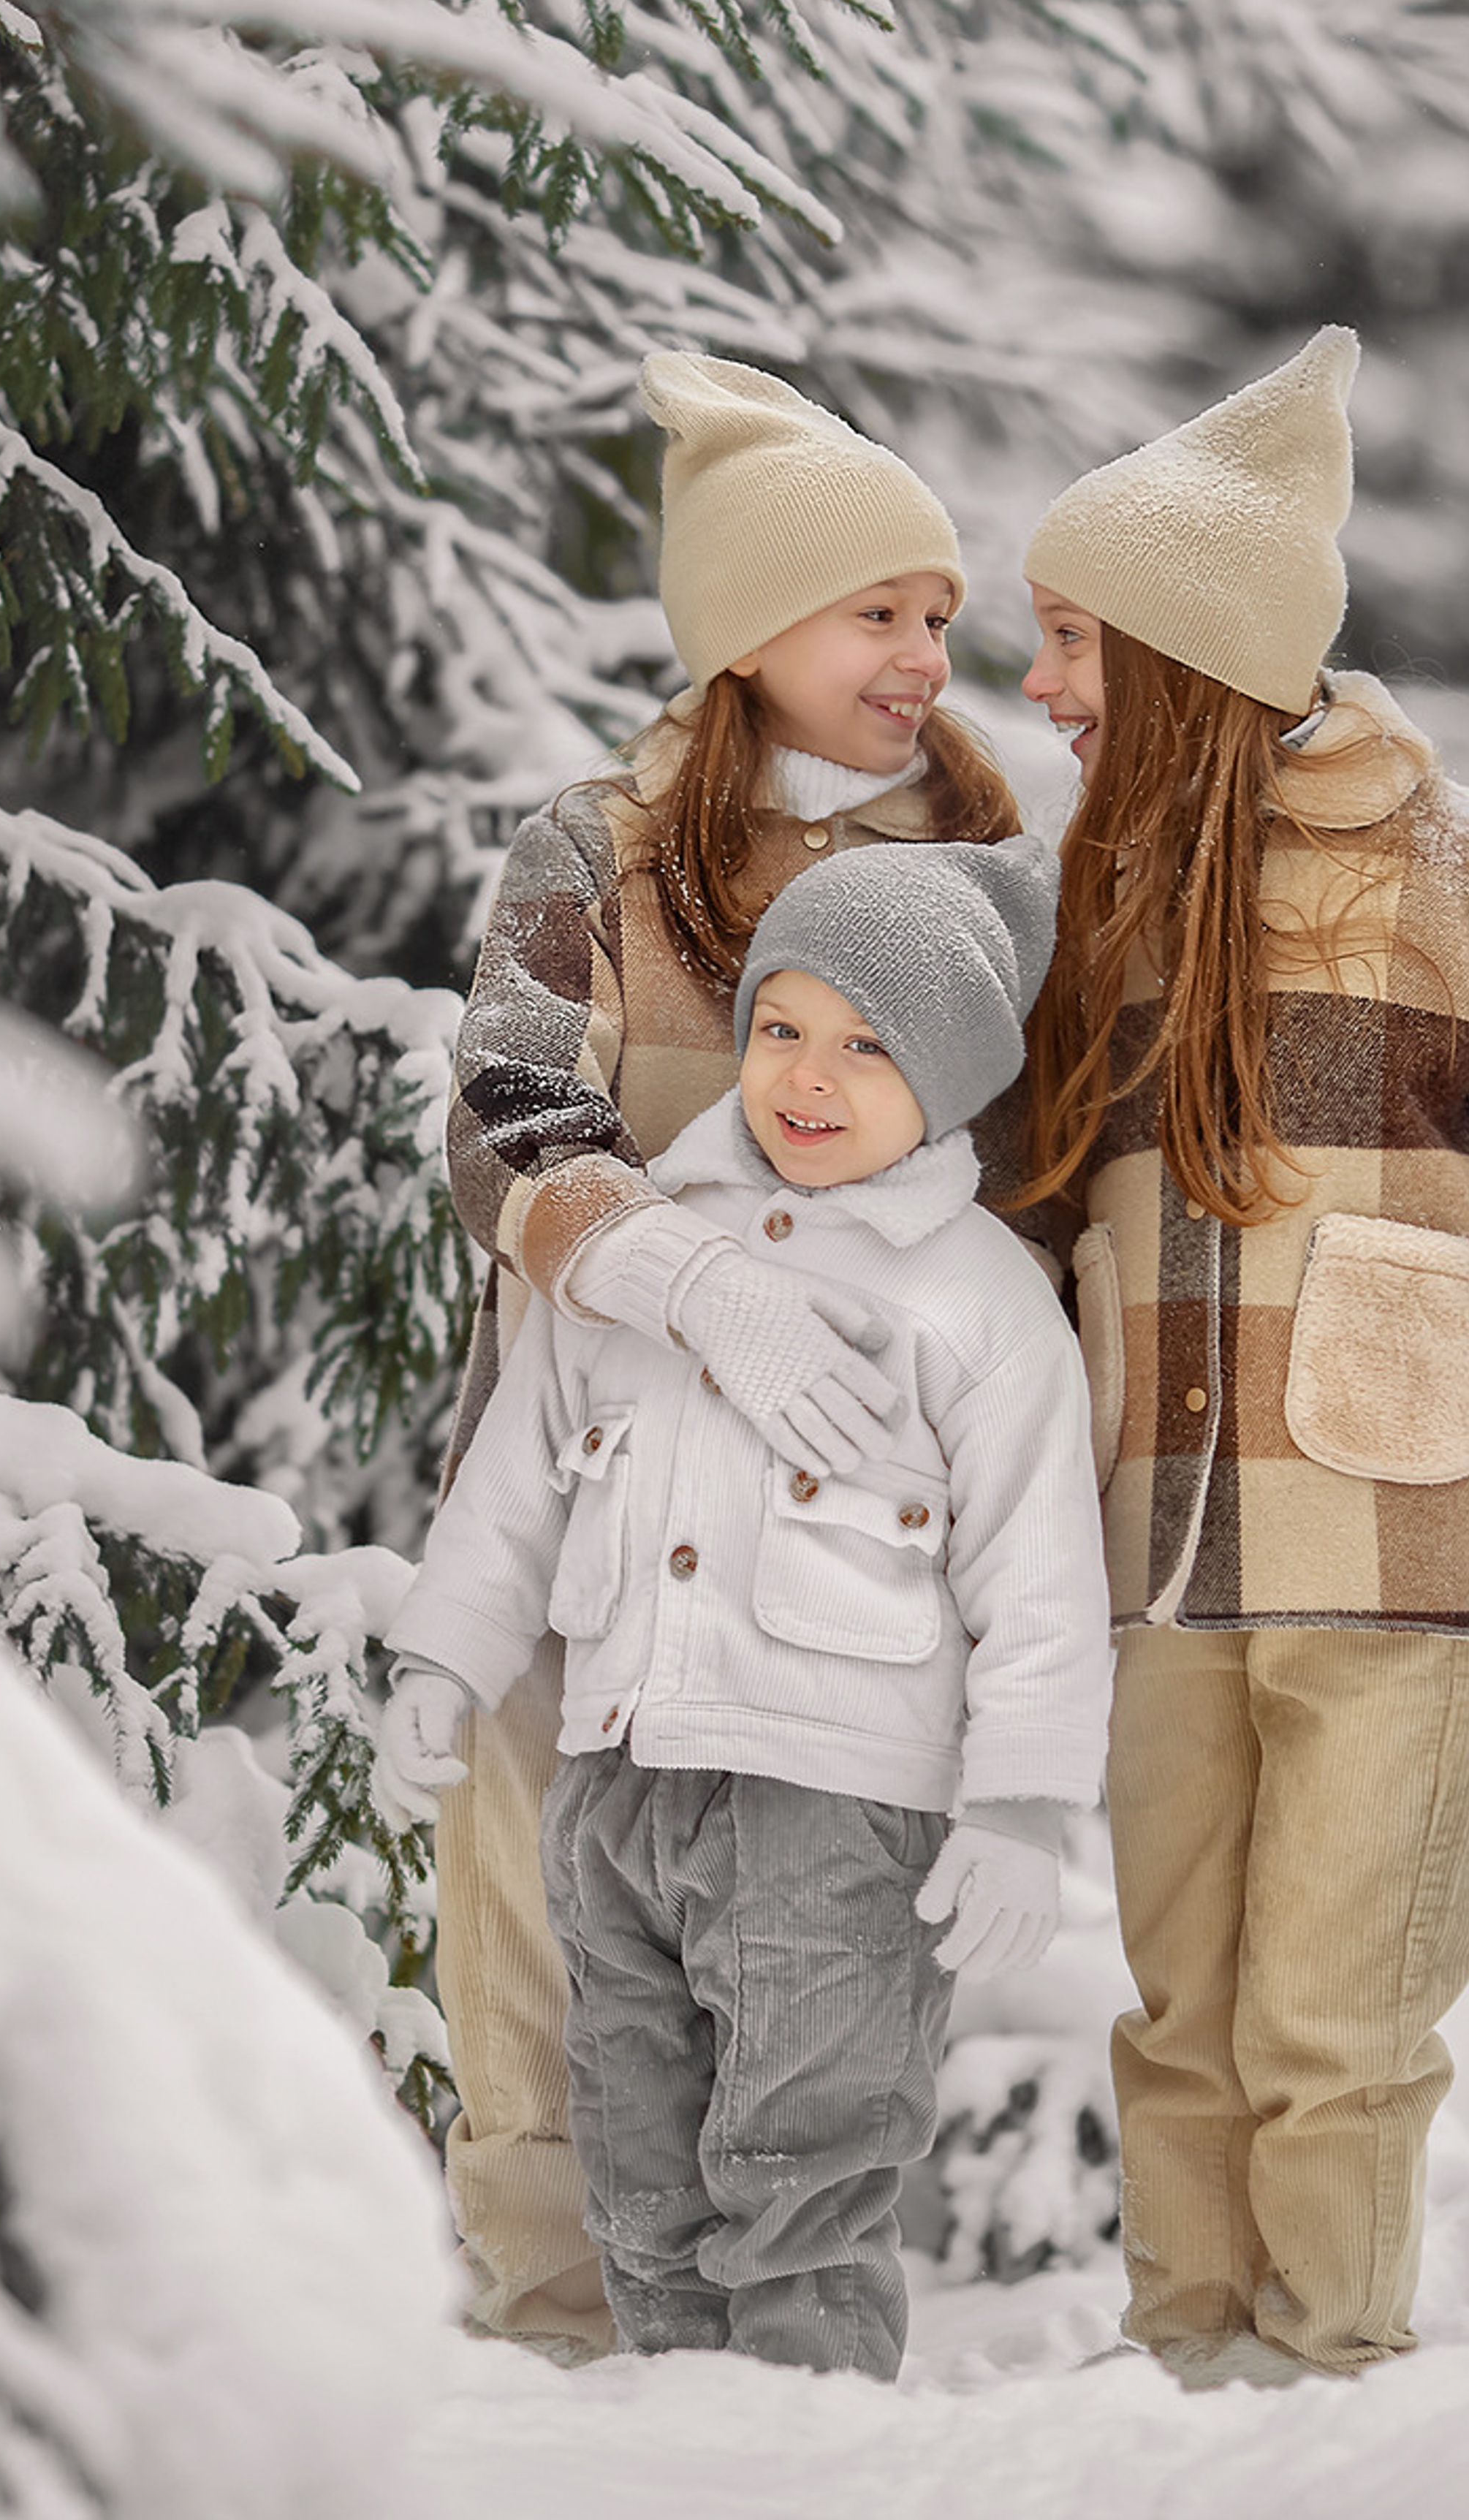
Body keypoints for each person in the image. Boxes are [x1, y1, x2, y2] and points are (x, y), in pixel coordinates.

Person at [421, 350, 1021, 2358]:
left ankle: (778, 2411)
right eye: (881, 611)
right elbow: (504, 1116)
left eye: (943, 615)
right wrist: (692, 1282)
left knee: (796, 2014)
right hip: (585, 1512)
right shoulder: (592, 851)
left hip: (845, 1576)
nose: (930, 653)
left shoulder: (981, 868)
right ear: (751, 626)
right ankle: (554, 2374)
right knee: (540, 1976)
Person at [379, 838, 1111, 2375]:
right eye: (781, 1025)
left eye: (867, 1047)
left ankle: (805, 2449)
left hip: (834, 1818)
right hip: (618, 1789)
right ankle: (679, 2446)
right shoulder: (653, 1253)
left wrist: (1023, 1804)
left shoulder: (974, 1303)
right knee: (636, 2166)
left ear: (952, 1082)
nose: (808, 1077)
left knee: (804, 2168)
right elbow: (512, 1483)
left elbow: (1036, 1574)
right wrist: (443, 1661)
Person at [1012, 323, 1469, 2390]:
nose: (1039, 687)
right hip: (1159, 1548)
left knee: (1331, 2014)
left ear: (1189, 658)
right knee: (1176, 1996)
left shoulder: (1430, 879)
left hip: (1384, 1547)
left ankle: (1331, 2378)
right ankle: (1183, 2368)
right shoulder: (1093, 902)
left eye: (1073, 642)